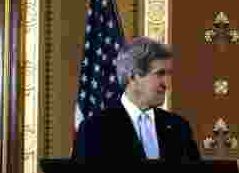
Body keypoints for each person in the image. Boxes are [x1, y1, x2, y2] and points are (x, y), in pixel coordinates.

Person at [73, 36, 201, 162]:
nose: (167, 84)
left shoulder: (179, 128)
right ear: (133, 77)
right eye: (160, 74)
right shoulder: (94, 130)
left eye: (168, 74)